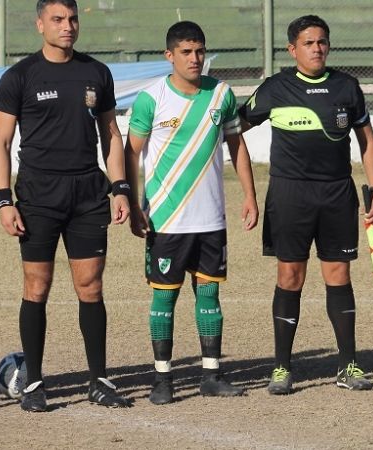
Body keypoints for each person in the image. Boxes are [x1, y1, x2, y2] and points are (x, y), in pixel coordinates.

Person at [0, 0, 132, 412]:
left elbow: (111, 135)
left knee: (90, 287)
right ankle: (33, 382)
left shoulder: (96, 72)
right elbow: (0, 143)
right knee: (37, 287)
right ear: (40, 25)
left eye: (72, 19)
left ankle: (99, 380)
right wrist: (5, 201)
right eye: (57, 19)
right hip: (38, 196)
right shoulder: (20, 76)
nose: (67, 26)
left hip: (88, 194)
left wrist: (120, 187)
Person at [238, 15, 373, 395]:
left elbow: (367, 139)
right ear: (292, 49)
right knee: (290, 277)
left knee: (339, 277)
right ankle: (282, 368)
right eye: (308, 43)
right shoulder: (275, 88)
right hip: (290, 196)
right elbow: (234, 129)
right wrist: (248, 192)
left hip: (336, 194)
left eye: (322, 42)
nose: (317, 48)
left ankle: (347, 365)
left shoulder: (346, 87)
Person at [124, 21, 258, 405]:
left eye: (199, 51)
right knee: (164, 299)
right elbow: (131, 153)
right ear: (169, 56)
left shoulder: (222, 94)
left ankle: (211, 375)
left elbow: (237, 146)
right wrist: (133, 203)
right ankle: (162, 380)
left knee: (210, 295)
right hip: (166, 219)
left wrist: (249, 196)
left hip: (211, 219)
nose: (194, 58)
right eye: (185, 51)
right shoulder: (151, 100)